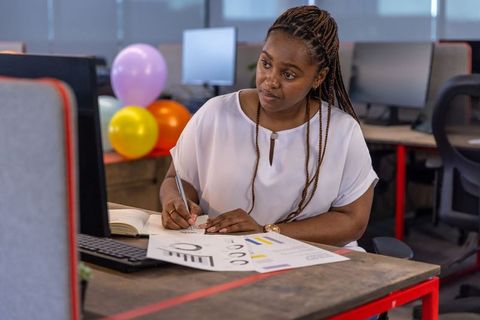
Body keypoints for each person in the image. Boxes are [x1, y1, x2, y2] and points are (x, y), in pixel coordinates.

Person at [159, 5, 378, 249]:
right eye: (265, 63)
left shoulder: (342, 132)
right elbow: (177, 179)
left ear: (319, 77)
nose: (270, 81)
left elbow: (353, 221)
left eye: (289, 75)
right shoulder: (215, 113)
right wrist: (175, 201)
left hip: (314, 264)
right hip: (223, 257)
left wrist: (267, 232)